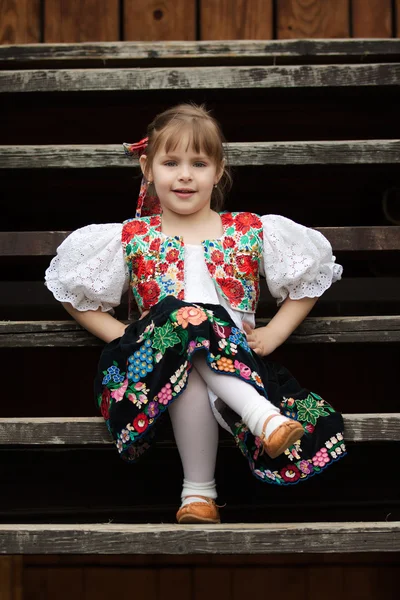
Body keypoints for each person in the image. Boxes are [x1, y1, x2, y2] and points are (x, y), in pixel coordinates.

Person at [45, 103, 346, 525]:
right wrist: (122, 334)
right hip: (156, 365)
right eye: (171, 162)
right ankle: (264, 419)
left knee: (191, 355)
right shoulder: (133, 237)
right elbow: (73, 291)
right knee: (185, 332)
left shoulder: (248, 230)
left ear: (218, 171)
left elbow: (310, 277)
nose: (185, 174)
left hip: (235, 364)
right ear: (148, 168)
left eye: (198, 163)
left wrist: (275, 331)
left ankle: (198, 495)